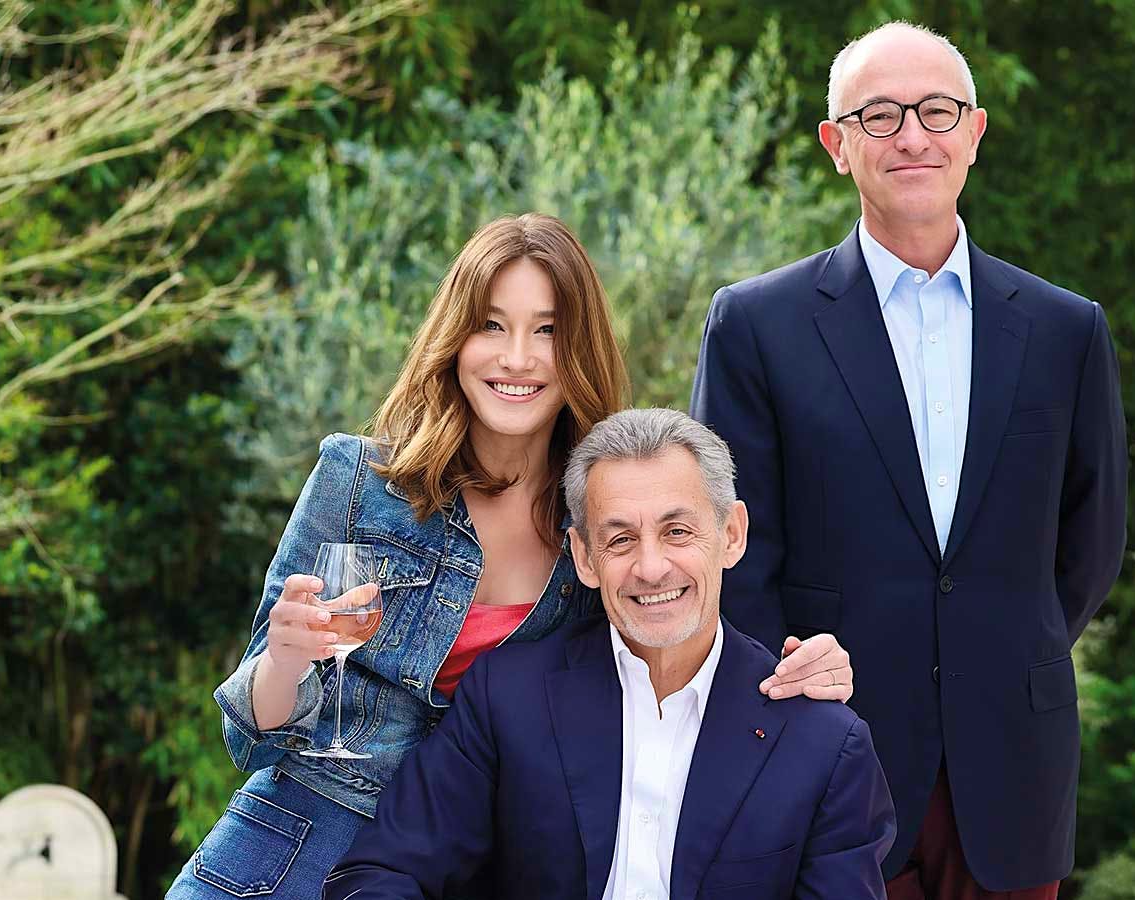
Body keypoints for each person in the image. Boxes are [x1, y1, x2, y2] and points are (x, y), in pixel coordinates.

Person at [169, 216, 854, 899]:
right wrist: (286, 659)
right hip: (290, 850)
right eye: (492, 326)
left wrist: (807, 671)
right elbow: (250, 740)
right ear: (455, 338)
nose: (517, 358)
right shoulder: (358, 480)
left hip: (463, 864)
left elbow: (683, 641)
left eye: (547, 330)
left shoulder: (601, 524)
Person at [690, 22, 1127, 900]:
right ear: (837, 145)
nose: (913, 136)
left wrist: (1001, 646)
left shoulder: (1064, 330)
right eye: (880, 115)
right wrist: (792, 693)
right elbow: (733, 546)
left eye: (938, 110)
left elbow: (1090, 544)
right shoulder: (756, 325)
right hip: (826, 756)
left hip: (1013, 769)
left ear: (975, 132)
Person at [324, 408, 895, 900]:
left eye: (677, 532)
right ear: (584, 556)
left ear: (732, 534)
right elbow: (380, 872)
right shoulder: (508, 698)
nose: (650, 567)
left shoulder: (825, 743)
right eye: (620, 539)